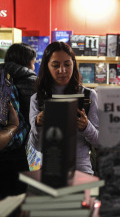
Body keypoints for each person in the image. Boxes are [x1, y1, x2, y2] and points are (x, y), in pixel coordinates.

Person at [28, 41, 99, 175]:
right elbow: (35, 146)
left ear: (73, 64)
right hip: (50, 171)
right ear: (47, 66)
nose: (62, 70)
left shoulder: (88, 96)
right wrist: (38, 124)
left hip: (81, 172)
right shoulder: (37, 99)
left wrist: (86, 127)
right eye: (55, 65)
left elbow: (98, 142)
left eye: (67, 64)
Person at [4, 43, 37, 125]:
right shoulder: (33, 81)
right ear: (27, 63)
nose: (34, 67)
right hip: (23, 134)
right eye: (33, 63)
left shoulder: (2, 77)